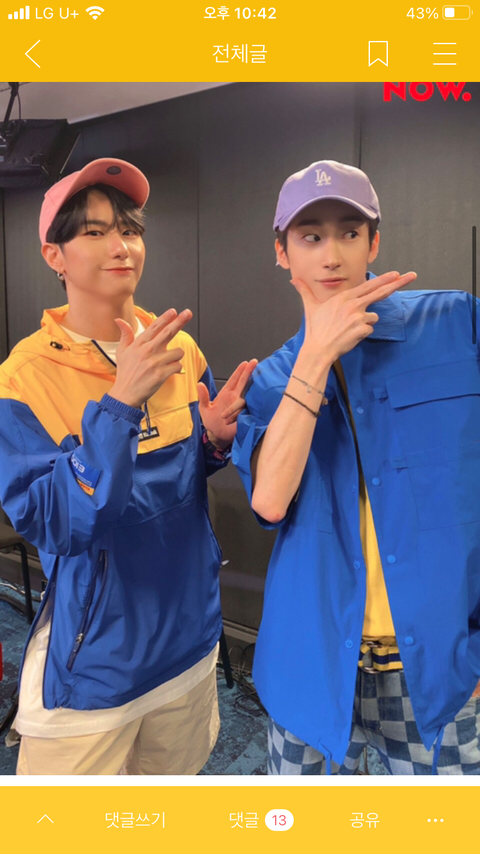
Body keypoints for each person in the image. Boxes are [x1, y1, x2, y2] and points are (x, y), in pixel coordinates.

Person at [0, 157, 256, 775]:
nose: (121, 246)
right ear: (54, 256)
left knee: (163, 812)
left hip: (188, 639)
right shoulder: (22, 379)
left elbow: (175, 481)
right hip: (96, 660)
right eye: (93, 232)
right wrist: (119, 404)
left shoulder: (178, 346)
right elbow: (56, 523)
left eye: (130, 230)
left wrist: (213, 442)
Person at [233, 159, 480, 775]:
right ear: (282, 253)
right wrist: (315, 358)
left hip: (442, 675)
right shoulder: (270, 380)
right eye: (310, 236)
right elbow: (269, 501)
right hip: (312, 668)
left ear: (374, 243)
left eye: (349, 232)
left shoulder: (456, 325)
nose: (332, 255)